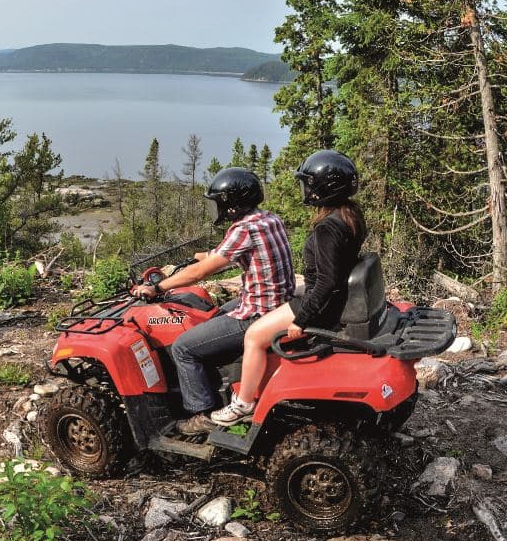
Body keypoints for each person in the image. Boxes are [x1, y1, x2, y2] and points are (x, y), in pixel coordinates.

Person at [132, 168, 295, 435]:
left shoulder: (243, 228)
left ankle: (201, 414)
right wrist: (209, 254)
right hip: (279, 302)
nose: (217, 207)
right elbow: (237, 252)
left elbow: (200, 273)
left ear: (231, 205)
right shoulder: (267, 219)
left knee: (183, 347)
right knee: (215, 315)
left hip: (258, 311)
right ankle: (220, 379)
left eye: (219, 202)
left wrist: (157, 286)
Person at [211, 150, 366, 427]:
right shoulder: (350, 214)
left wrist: (300, 319)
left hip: (324, 305)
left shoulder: (327, 228)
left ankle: (243, 404)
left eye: (308, 183)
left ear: (323, 188)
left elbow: (328, 282)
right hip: (331, 296)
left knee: (254, 336)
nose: (305, 188)